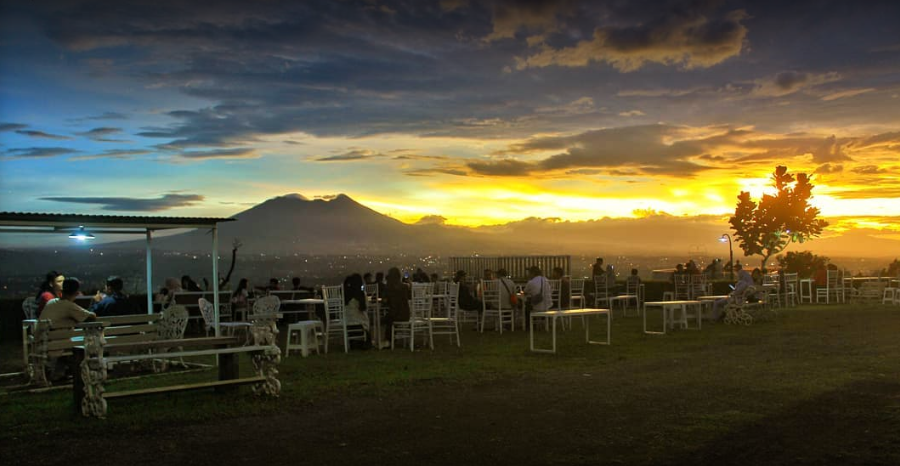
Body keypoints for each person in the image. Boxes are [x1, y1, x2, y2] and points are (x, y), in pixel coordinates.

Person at [39, 277, 97, 381]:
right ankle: (82, 373)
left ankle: (59, 374)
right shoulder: (69, 306)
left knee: (70, 341)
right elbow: (91, 316)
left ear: (62, 291)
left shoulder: (51, 302)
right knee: (86, 343)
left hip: (42, 342)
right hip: (57, 345)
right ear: (76, 292)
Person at [381, 267, 410, 348]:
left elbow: (385, 301)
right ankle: (390, 339)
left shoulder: (389, 288)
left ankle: (387, 340)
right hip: (406, 314)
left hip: (395, 314)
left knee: (384, 319)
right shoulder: (404, 287)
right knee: (388, 319)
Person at [343, 273, 371, 347]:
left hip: (348, 323)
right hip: (361, 325)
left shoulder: (345, 295)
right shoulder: (361, 295)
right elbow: (366, 308)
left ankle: (354, 343)